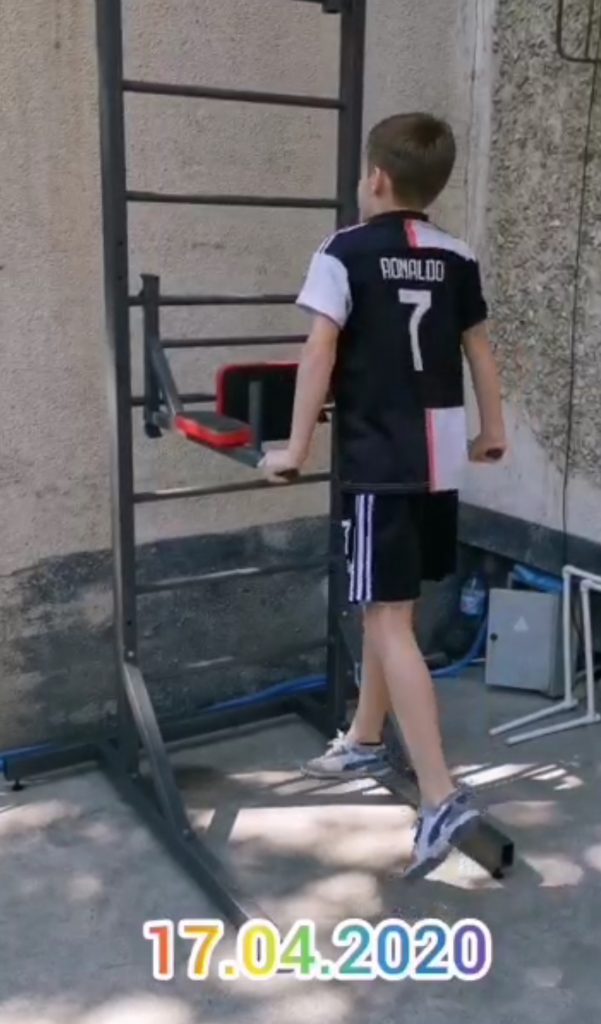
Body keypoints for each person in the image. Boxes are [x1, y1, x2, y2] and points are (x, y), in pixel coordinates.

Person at [261, 112, 507, 879]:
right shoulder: (455, 254)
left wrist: (293, 448)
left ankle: (440, 797)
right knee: (386, 603)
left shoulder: (342, 251)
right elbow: (478, 350)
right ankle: (366, 739)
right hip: (438, 459)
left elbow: (318, 350)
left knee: (388, 619)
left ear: (375, 177)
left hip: (378, 459)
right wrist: (493, 429)